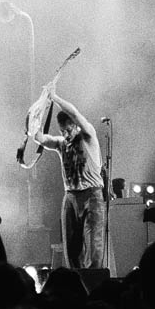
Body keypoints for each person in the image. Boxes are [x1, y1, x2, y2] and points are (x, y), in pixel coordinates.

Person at [33, 89, 106, 269]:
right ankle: (76, 280)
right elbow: (38, 137)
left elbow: (74, 112)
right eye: (62, 131)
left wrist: (55, 98)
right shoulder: (61, 144)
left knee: (93, 245)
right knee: (71, 246)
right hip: (71, 197)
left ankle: (94, 279)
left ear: (76, 126)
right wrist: (40, 108)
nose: (66, 134)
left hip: (92, 195)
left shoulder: (88, 136)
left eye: (68, 130)